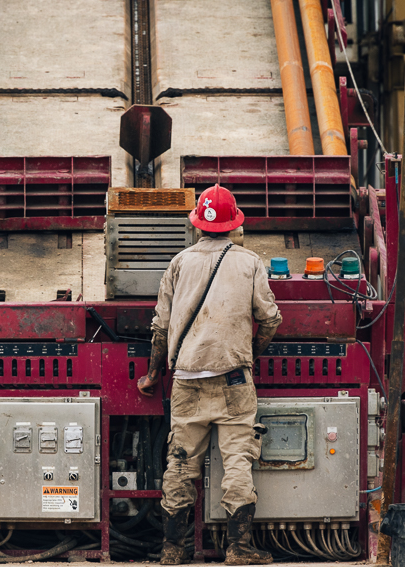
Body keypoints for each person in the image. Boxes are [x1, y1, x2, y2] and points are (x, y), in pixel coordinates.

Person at [137, 184, 282, 565]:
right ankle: (239, 548)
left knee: (182, 461)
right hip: (234, 378)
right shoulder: (250, 262)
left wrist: (153, 374)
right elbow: (269, 320)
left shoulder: (179, 262)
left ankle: (172, 550)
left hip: (186, 379)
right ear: (235, 223)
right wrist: (249, 354)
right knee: (237, 459)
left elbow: (161, 327)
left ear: (197, 224)